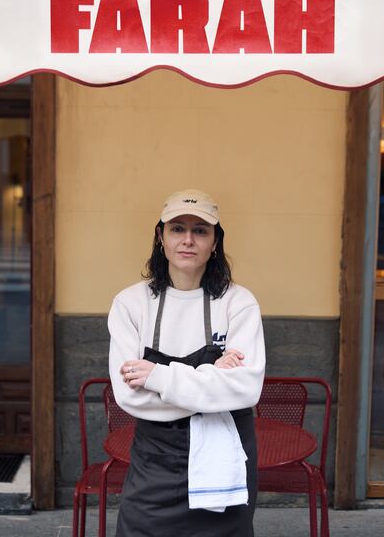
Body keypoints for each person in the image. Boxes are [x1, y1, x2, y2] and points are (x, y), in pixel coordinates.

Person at [108, 189, 266, 537]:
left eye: (201, 230)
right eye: (177, 228)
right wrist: (211, 380)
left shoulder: (239, 303)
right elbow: (129, 395)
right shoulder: (130, 304)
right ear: (160, 237)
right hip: (155, 463)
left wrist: (157, 377)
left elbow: (246, 388)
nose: (188, 240)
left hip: (224, 458)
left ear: (215, 242)